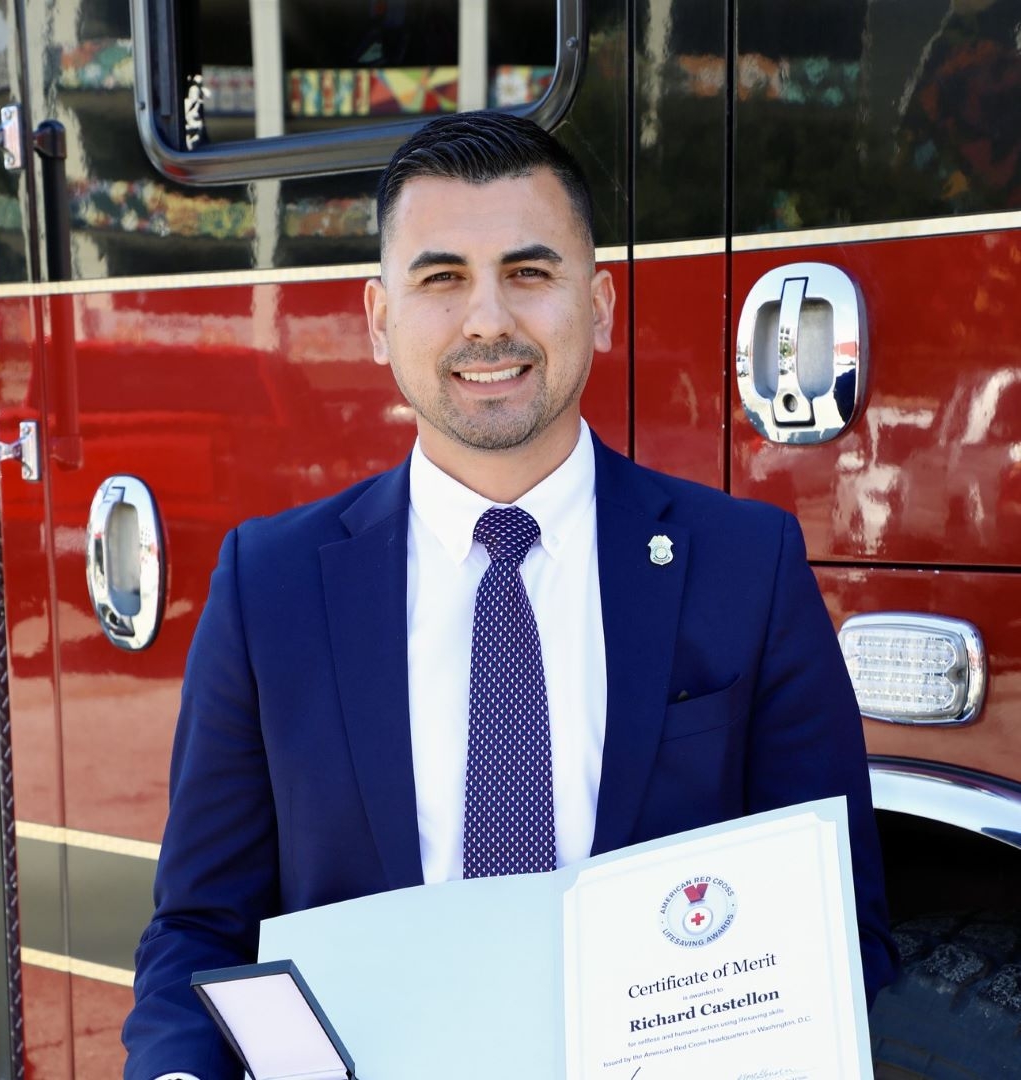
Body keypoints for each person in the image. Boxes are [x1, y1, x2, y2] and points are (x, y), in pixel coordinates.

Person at [122, 110, 898, 1079]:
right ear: (376, 318)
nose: (488, 318)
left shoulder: (747, 563)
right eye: (441, 278)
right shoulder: (267, 585)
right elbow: (200, 931)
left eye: (530, 274)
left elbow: (839, 924)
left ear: (603, 305)